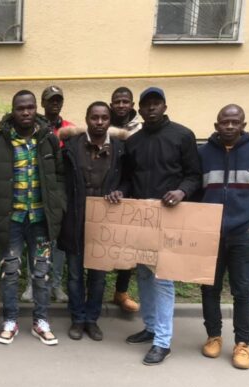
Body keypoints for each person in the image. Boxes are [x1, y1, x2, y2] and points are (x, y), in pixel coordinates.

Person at [107, 86, 201, 365]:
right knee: (144, 276)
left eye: (156, 103)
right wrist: (121, 191)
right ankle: (150, 327)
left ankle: (163, 341)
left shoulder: (182, 135)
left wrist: (182, 191)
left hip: (170, 218)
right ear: (140, 109)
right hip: (141, 219)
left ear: (164, 107)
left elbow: (195, 175)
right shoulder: (134, 141)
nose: (151, 108)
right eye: (146, 104)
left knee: (163, 279)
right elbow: (128, 178)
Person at [0, 90, 66, 345]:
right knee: (10, 271)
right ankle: (10, 321)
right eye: (20, 108)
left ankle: (41, 321)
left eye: (30, 107)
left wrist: (58, 206)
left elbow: (60, 176)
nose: (26, 112)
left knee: (42, 272)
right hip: (11, 220)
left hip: (41, 220)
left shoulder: (48, 139)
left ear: (36, 109)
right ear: (13, 110)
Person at [198, 104, 249, 370]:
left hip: (244, 234)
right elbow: (195, 190)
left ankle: (243, 343)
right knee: (209, 288)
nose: (230, 126)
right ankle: (213, 336)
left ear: (243, 125)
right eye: (225, 122)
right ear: (216, 125)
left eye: (235, 122)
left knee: (243, 290)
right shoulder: (203, 153)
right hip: (210, 234)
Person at [58, 102, 125, 341]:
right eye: (94, 117)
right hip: (75, 219)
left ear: (109, 120)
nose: (99, 122)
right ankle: (77, 319)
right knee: (75, 275)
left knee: (98, 277)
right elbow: (60, 179)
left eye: (104, 118)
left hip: (104, 223)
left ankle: (92, 320)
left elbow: (127, 178)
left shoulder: (120, 148)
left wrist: (121, 191)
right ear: (86, 119)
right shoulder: (71, 146)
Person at [19, 85, 73, 304]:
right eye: (50, 100)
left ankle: (55, 284)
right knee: (36, 243)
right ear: (42, 103)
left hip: (58, 194)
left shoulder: (70, 129)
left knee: (57, 244)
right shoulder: (33, 127)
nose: (55, 104)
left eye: (58, 100)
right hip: (35, 194)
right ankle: (32, 284)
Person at [108, 86, 142, 313]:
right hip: (105, 192)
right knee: (100, 243)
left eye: (125, 101)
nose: (121, 105)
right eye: (117, 101)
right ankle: (92, 292)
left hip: (131, 191)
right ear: (111, 104)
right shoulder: (101, 123)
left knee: (129, 246)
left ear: (132, 105)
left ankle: (121, 292)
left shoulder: (141, 129)